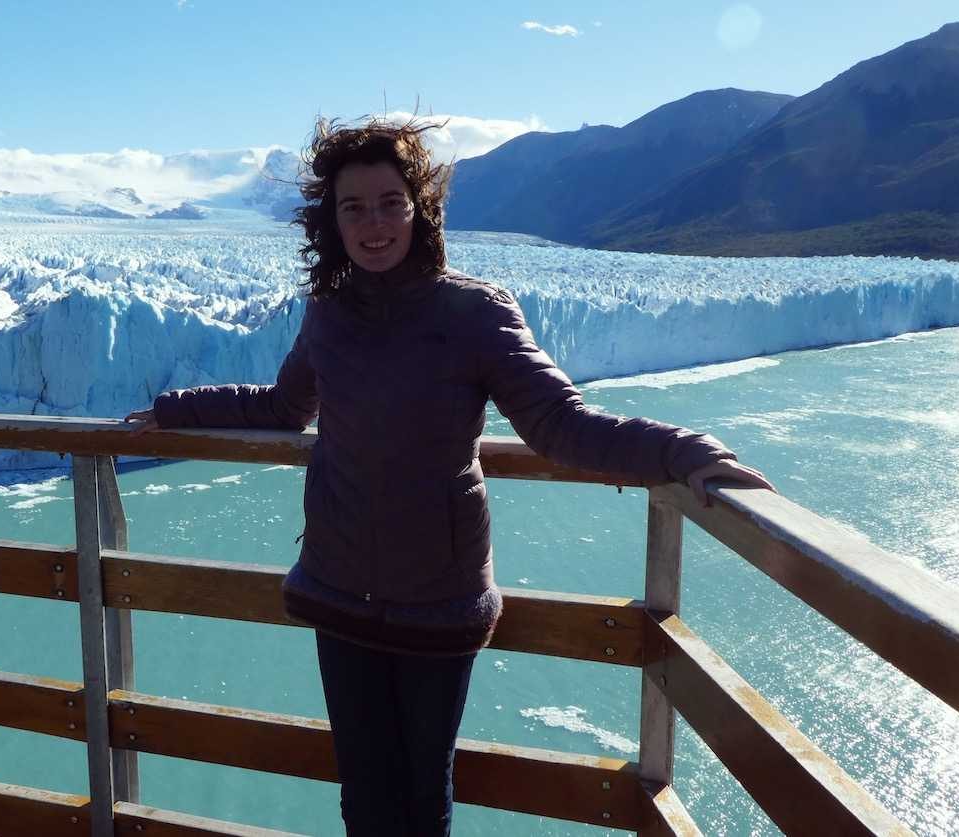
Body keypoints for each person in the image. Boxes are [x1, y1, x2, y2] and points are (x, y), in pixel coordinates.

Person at [125, 118, 774, 837]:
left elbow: (560, 424)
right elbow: (284, 406)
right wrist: (175, 406)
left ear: (419, 207)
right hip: (338, 588)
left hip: (438, 599)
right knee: (365, 796)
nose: (373, 224)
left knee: (422, 799)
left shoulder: (475, 311)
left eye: (389, 202)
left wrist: (685, 451)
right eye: (354, 207)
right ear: (331, 220)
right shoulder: (329, 314)